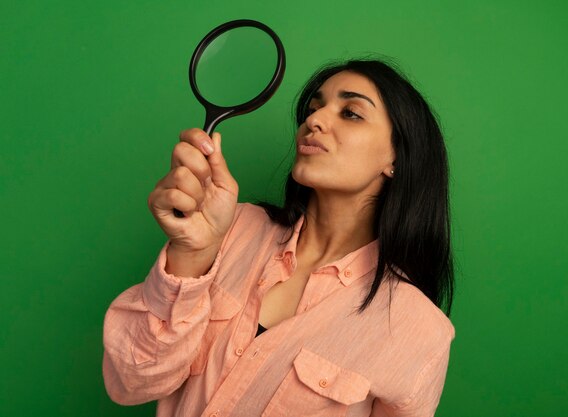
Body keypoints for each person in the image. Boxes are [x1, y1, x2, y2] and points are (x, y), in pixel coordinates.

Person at [103, 59, 455, 417]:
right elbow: (131, 383)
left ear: (396, 157)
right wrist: (192, 251)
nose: (313, 121)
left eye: (350, 113)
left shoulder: (420, 329)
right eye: (314, 108)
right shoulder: (231, 227)